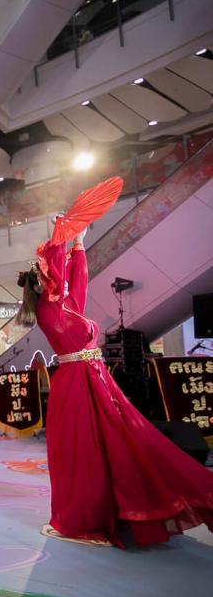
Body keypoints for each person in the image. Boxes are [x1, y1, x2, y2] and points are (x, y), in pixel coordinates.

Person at [18, 230, 213, 547]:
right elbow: (60, 276)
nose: (60, 278)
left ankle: (125, 506)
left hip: (95, 380)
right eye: (53, 274)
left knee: (122, 442)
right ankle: (82, 518)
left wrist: (78, 244)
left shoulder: (68, 305)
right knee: (85, 452)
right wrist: (60, 238)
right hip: (75, 385)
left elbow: (77, 283)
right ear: (45, 281)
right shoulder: (46, 310)